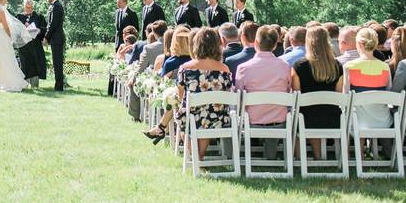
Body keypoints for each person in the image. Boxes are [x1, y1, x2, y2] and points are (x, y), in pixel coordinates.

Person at [144, 27, 231, 154]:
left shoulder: (186, 68)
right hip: (217, 117)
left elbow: (180, 97)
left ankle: (195, 156)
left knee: (183, 114)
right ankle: (198, 156)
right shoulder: (225, 69)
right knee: (204, 116)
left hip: (192, 117)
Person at [235, 25, 292, 159]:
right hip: (279, 120)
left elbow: (239, 96)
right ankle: (270, 155)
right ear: (274, 46)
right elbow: (289, 90)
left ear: (255, 43)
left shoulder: (243, 68)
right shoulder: (285, 66)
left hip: (252, 120)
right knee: (274, 109)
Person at [292, 27, 343, 159]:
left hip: (306, 119)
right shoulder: (338, 66)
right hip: (333, 118)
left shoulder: (299, 66)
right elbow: (338, 95)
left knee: (299, 113)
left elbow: (296, 95)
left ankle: (309, 156)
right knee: (319, 110)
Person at [344, 27, 393, 129]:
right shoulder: (385, 67)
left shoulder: (349, 66)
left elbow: (346, 96)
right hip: (383, 120)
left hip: (358, 122)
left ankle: (359, 145)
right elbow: (389, 92)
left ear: (360, 44)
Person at [17, 0, 47, 88]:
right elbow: (15, 30)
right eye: (27, 7)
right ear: (24, 6)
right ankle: (24, 85)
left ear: (33, 7)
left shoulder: (38, 16)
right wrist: (23, 28)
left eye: (30, 7)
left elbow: (44, 29)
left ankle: (34, 85)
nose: (28, 9)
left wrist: (39, 30)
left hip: (35, 45)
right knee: (24, 65)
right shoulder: (19, 17)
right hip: (23, 45)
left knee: (35, 64)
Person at [44, 0, 66, 92]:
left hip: (57, 39)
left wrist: (46, 37)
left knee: (57, 63)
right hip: (56, 38)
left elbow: (53, 24)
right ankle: (58, 85)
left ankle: (59, 87)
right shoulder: (55, 6)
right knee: (57, 63)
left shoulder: (56, 6)